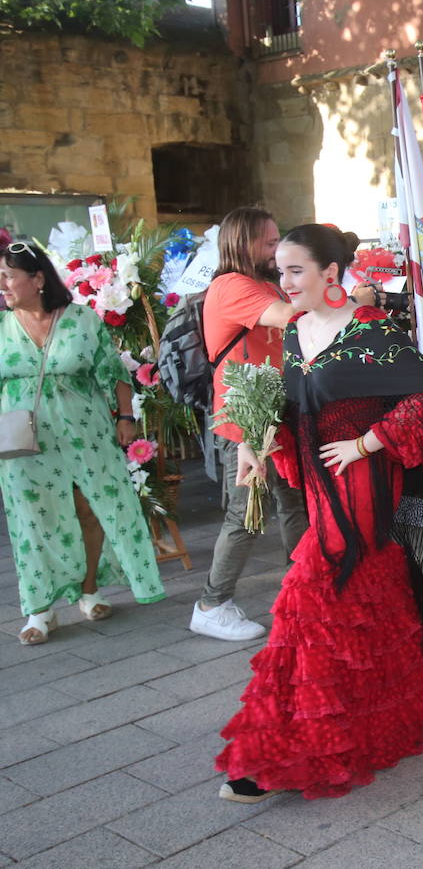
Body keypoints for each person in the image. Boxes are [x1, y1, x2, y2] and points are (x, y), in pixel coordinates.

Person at [215, 224, 423, 802]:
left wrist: (368, 443)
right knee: (363, 585)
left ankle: (288, 746)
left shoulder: (370, 330)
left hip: (361, 476)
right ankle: (418, 686)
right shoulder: (297, 331)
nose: (284, 282)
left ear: (331, 273)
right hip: (315, 479)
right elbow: (292, 406)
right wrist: (255, 444)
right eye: (280, 271)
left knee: (317, 585)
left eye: (295, 270)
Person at [0, 241, 165, 644]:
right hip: (24, 440)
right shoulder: (2, 328)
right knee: (32, 520)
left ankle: (89, 590)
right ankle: (39, 609)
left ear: (37, 279)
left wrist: (126, 417)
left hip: (85, 433)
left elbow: (112, 372)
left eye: (8, 276)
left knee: (90, 510)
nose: (2, 285)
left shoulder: (81, 320)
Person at [192, 207, 308, 641]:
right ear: (242, 244)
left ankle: (305, 590)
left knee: (294, 505)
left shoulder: (262, 282)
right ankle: (211, 603)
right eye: (268, 241)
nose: (276, 249)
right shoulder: (231, 286)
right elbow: (288, 318)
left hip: (275, 417)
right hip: (245, 422)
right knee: (245, 517)